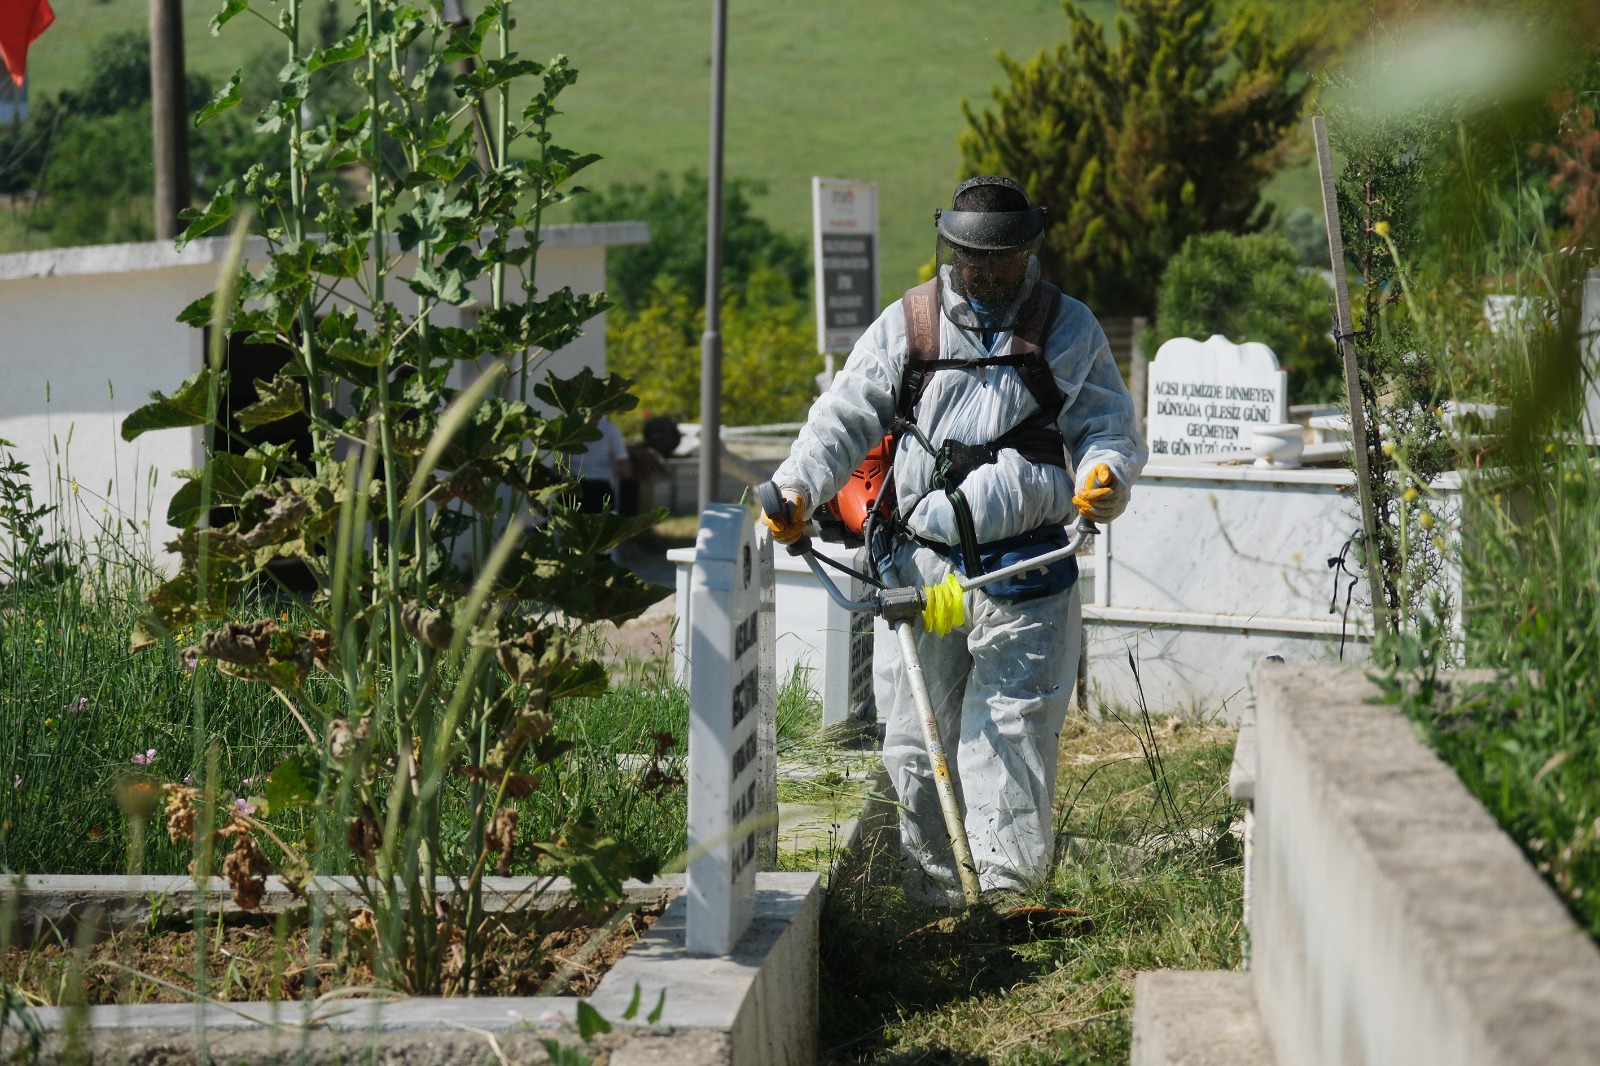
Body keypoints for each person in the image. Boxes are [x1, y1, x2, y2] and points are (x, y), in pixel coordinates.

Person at [762, 176, 1147, 905]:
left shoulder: (1066, 327)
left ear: (1030, 250)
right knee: (915, 743)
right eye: (975, 260)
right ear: (951, 250)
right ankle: (933, 905)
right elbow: (843, 417)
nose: (989, 274)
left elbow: (1106, 424)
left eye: (1005, 260)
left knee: (1011, 738)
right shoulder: (908, 325)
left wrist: (1106, 474)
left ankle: (1007, 901)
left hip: (1028, 568)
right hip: (923, 569)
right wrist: (796, 490)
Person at [569, 416, 633, 514]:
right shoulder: (610, 430)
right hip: (577, 484)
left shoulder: (609, 430)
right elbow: (623, 462)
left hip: (597, 486)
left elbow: (622, 462)